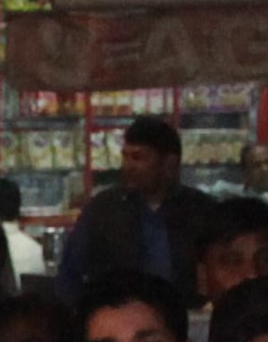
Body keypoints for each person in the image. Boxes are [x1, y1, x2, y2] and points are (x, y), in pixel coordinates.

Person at [51, 115, 185, 305]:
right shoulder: (102, 210)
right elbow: (70, 275)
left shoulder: (197, 210)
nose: (128, 166)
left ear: (169, 164)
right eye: (125, 156)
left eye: (138, 158)